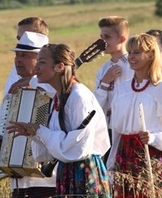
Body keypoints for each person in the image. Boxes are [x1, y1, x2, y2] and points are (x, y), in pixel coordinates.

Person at [7, 44, 112, 197]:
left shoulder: (78, 97)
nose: (36, 67)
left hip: (83, 171)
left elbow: (77, 147)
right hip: (68, 170)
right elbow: (59, 143)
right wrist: (33, 133)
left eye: (42, 62)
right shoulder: (59, 95)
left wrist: (39, 130)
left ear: (59, 66)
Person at [107, 33, 162, 197]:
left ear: (151, 55)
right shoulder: (122, 88)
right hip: (125, 155)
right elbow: (116, 130)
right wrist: (112, 160)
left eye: (137, 52)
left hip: (153, 155)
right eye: (130, 52)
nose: (131, 57)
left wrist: (153, 138)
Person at [0, 31, 56, 198]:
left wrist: (31, 81)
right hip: (17, 183)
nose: (18, 60)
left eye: (25, 56)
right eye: (17, 55)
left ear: (40, 60)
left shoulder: (53, 89)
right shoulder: (12, 93)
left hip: (47, 183)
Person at [0, 16, 51, 140]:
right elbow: (7, 105)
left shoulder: (53, 77)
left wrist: (30, 81)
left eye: (25, 55)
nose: (21, 41)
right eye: (19, 38)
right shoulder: (18, 67)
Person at [93, 16, 134, 163]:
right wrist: (104, 82)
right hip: (108, 129)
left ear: (122, 39)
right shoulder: (104, 69)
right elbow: (96, 105)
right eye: (101, 37)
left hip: (129, 130)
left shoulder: (133, 66)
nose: (102, 42)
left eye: (107, 37)